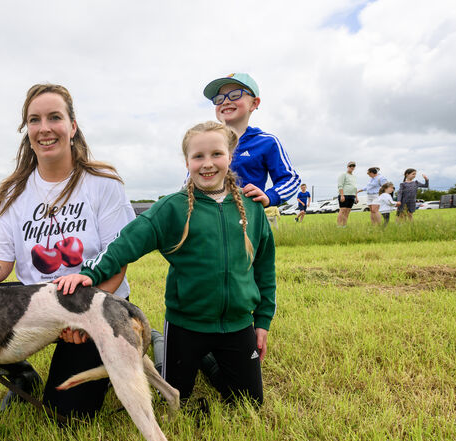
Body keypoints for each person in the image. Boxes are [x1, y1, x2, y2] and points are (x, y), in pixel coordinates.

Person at [0, 83, 135, 421]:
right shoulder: (14, 193)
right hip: (37, 306)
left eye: (54, 117)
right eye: (34, 120)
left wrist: (87, 316)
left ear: (72, 126)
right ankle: (19, 374)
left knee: (67, 418)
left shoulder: (103, 183)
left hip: (93, 302)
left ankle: (138, 340)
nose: (44, 128)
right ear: (26, 130)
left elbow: (117, 262)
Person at [56, 121, 276, 407]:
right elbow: (126, 243)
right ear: (187, 161)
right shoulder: (172, 207)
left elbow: (264, 268)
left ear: (230, 157)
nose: (207, 164)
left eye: (216, 154)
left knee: (249, 404)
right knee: (174, 399)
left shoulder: (253, 208)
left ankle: (208, 363)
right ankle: (162, 346)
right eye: (198, 157)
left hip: (237, 325)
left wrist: (262, 321)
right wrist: (90, 273)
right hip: (186, 325)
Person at [202, 72, 300, 208]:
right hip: (208, 218)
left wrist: (270, 196)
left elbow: (291, 179)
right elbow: (189, 181)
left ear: (254, 103)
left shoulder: (266, 142)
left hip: (248, 220)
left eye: (235, 95)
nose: (225, 102)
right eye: (219, 99)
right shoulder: (204, 142)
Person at [337, 161, 359, 227]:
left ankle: (344, 226)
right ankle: (339, 226)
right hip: (344, 195)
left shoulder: (354, 176)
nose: (352, 167)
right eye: (350, 166)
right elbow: (340, 185)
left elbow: (355, 187)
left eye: (353, 166)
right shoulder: (343, 174)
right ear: (348, 167)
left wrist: (356, 197)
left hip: (352, 196)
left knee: (347, 211)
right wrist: (342, 195)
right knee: (342, 210)